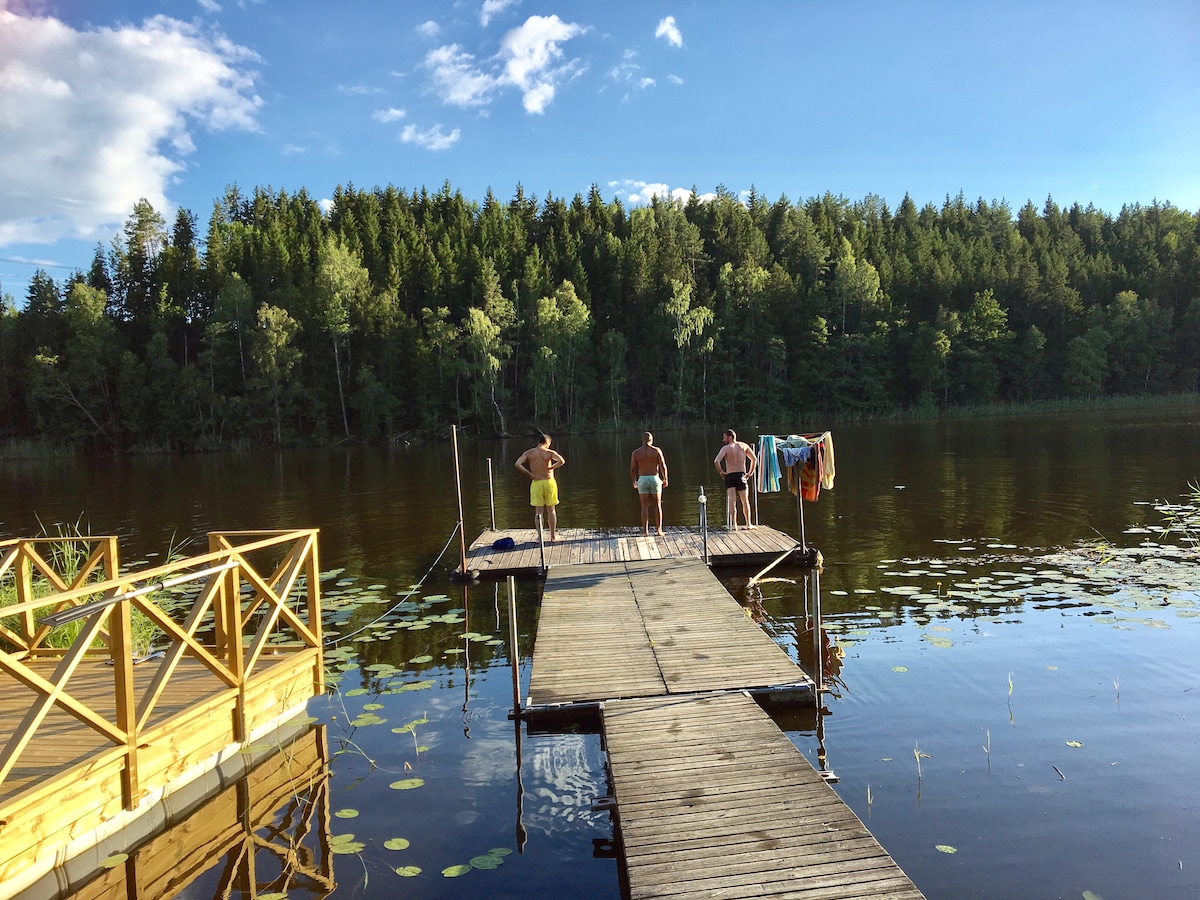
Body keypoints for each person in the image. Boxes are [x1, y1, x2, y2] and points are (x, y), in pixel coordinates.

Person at [515, 433, 566, 541]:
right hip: (549, 482)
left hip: (536, 482)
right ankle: (552, 536)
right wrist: (552, 467)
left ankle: (540, 536)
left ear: (539, 442)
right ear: (547, 443)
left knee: (538, 512)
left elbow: (518, 464)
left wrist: (529, 474)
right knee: (551, 510)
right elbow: (561, 461)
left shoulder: (529, 453)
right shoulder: (549, 453)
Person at [713, 428, 758, 528]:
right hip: (741, 475)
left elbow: (716, 461)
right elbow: (754, 459)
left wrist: (721, 472)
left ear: (730, 437)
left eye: (725, 438)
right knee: (745, 501)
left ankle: (734, 525)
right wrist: (750, 473)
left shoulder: (726, 449)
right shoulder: (743, 446)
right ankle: (748, 524)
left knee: (732, 501)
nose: (724, 440)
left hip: (730, 476)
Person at [629, 431, 669, 536]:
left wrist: (634, 481)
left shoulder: (636, 453)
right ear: (651, 440)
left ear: (642, 440)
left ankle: (645, 532)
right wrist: (665, 479)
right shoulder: (656, 451)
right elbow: (663, 466)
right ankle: (659, 530)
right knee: (657, 505)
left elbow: (633, 469)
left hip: (642, 479)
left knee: (644, 506)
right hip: (654, 478)